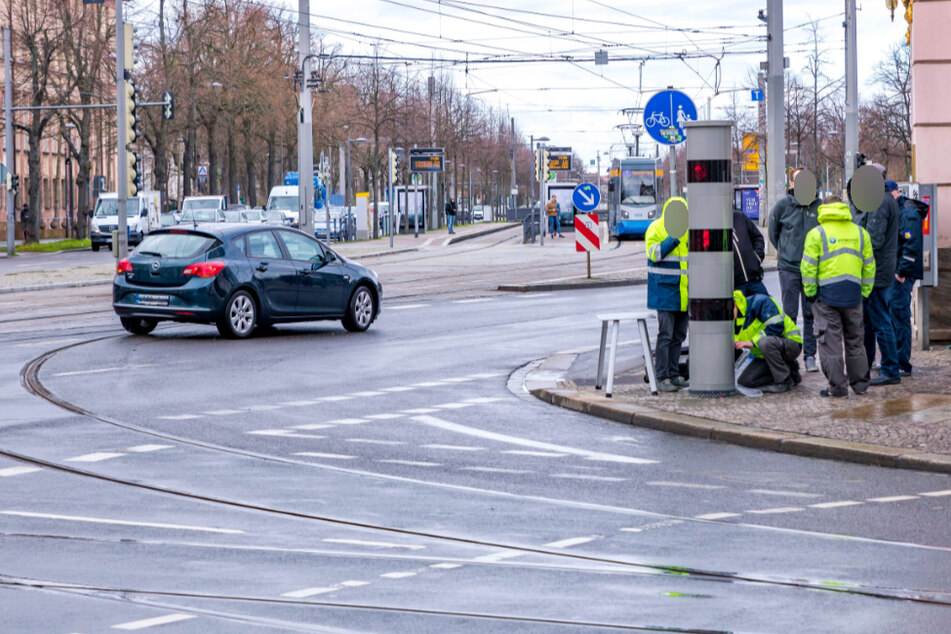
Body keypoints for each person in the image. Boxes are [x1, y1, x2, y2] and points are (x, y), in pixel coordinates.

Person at [801, 195, 875, 397]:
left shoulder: (816, 234)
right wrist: (864, 293)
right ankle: (860, 385)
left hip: (826, 298)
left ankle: (838, 388)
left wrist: (810, 293)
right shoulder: (861, 233)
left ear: (824, 209)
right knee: (855, 342)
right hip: (853, 296)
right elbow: (869, 267)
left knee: (830, 344)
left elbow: (808, 268)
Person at [768, 168, 821, 373]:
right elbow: (773, 233)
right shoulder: (783, 206)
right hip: (789, 268)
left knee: (810, 314)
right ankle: (790, 355)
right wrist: (785, 250)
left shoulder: (819, 207)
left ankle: (810, 356)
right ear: (792, 184)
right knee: (789, 314)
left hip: (811, 270)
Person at [853, 168, 902, 386]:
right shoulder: (882, 200)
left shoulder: (880, 202)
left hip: (876, 271)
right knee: (870, 322)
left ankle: (890, 369)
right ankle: (866, 365)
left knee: (880, 320)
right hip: (879, 269)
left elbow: (874, 240)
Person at [646, 197, 689, 392]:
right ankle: (661, 376)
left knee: (679, 335)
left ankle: (673, 374)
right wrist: (674, 237)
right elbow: (654, 254)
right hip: (664, 292)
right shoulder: (655, 228)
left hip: (683, 292)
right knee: (666, 335)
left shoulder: (688, 229)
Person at [887, 180, 929, 376]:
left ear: (896, 192)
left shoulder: (908, 213)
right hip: (896, 272)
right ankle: (894, 360)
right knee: (894, 314)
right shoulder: (898, 211)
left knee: (900, 314)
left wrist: (900, 273)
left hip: (902, 274)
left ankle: (902, 362)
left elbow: (911, 246)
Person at [733, 290, 803, 392]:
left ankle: (784, 381)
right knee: (745, 382)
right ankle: (790, 370)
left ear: (734, 304)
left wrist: (752, 343)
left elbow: (777, 327)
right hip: (765, 354)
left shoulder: (760, 302)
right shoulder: (733, 320)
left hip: (791, 343)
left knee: (764, 343)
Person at [733, 208, 768, 296]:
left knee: (768, 306)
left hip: (754, 280)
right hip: (736, 286)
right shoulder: (714, 227)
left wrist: (757, 258)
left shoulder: (739, 217)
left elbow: (758, 238)